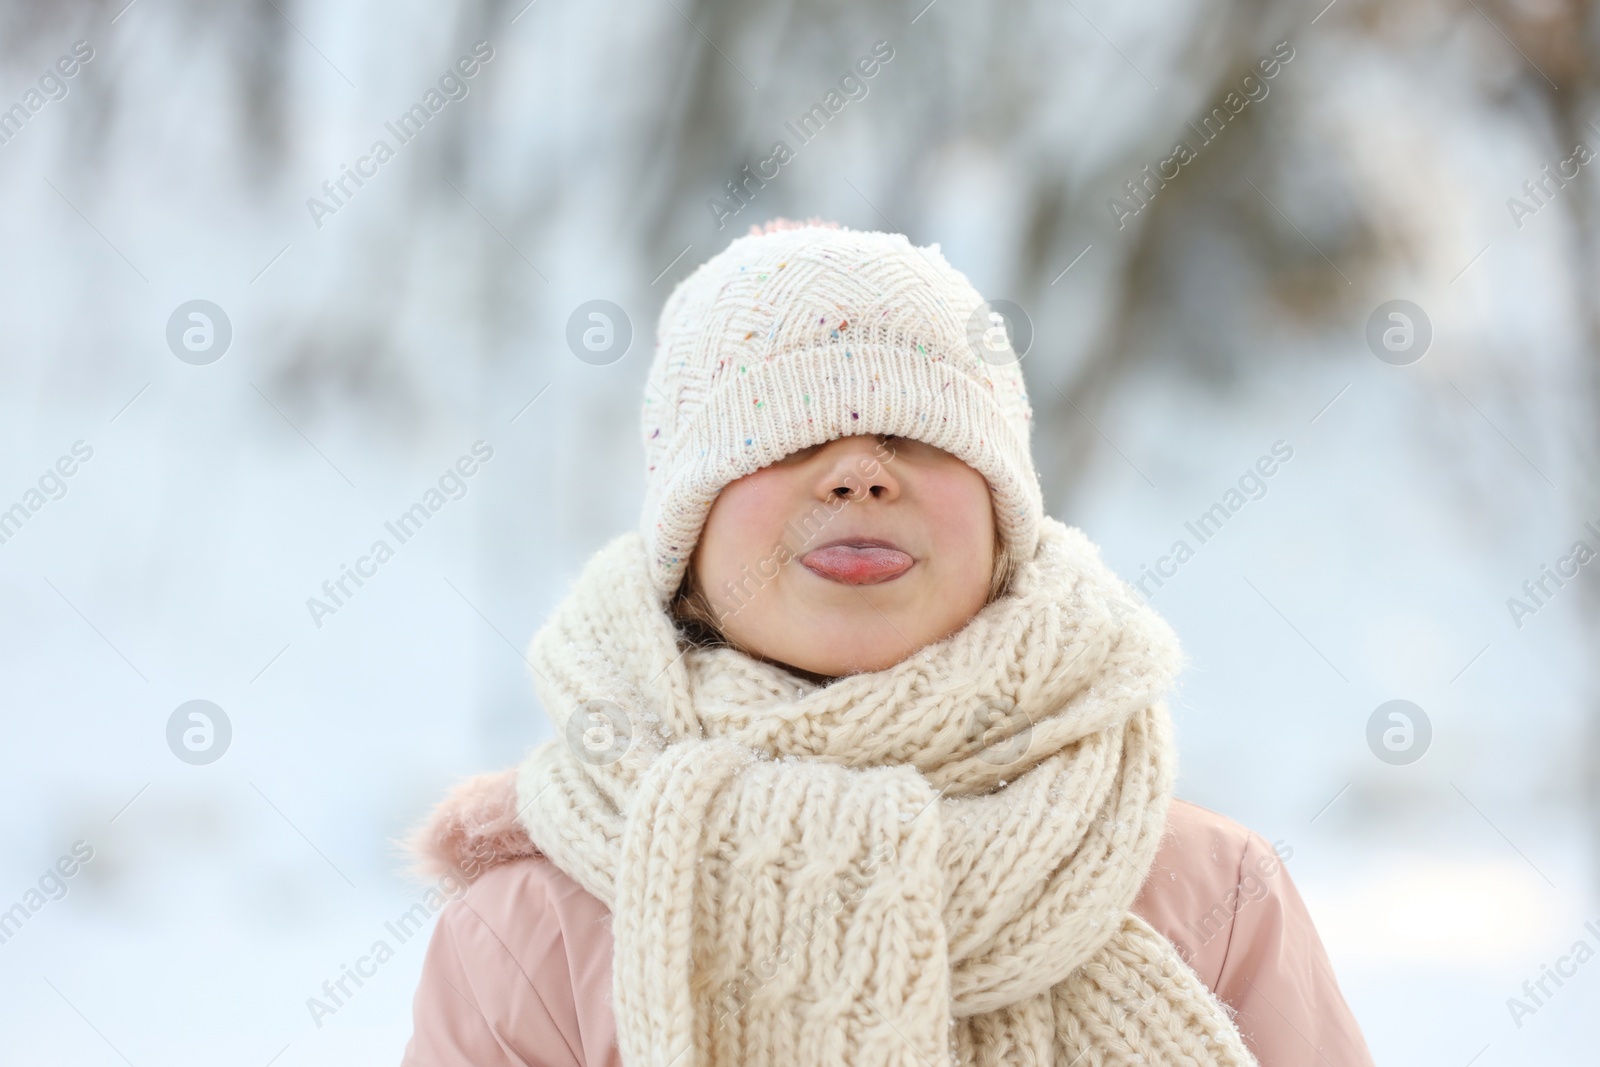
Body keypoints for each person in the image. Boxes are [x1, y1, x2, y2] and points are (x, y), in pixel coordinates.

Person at [398, 218, 1374, 1066]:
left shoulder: (1207, 890)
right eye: (784, 438)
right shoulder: (532, 927)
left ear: (1004, 528)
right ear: (683, 546)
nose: (859, 473)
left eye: (919, 433)